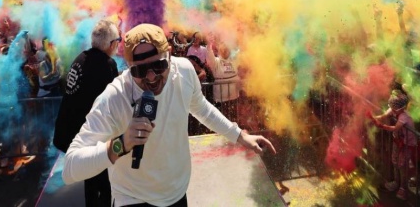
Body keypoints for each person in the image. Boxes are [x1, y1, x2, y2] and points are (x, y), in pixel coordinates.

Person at [62, 23, 276, 207]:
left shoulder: (184, 71)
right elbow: (70, 168)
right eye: (139, 71)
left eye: (158, 65)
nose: (151, 76)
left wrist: (240, 135)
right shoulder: (115, 96)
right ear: (128, 68)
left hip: (175, 194)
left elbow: (201, 109)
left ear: (170, 55)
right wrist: (120, 144)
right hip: (132, 198)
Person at [54, 19, 120, 207]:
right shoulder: (106, 64)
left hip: (74, 132)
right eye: (118, 41)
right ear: (110, 44)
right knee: (103, 184)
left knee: (91, 181)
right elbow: (114, 100)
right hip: (88, 136)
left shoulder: (81, 58)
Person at [369, 92, 417, 201]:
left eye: (394, 108)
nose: (392, 109)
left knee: (402, 165)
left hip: (407, 145)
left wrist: (381, 126)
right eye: (391, 107)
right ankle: (396, 182)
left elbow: (395, 128)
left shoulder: (405, 116)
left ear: (401, 107)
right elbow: (384, 115)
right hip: (397, 141)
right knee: (395, 161)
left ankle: (403, 188)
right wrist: (373, 118)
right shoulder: (393, 109)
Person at [205, 40, 239, 121]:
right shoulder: (216, 62)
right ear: (219, 50)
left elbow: (240, 51)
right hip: (221, 99)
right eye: (223, 49)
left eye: (227, 49)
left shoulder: (233, 61)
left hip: (234, 97)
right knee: (223, 119)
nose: (225, 51)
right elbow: (209, 55)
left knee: (234, 118)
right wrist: (209, 45)